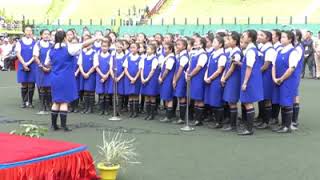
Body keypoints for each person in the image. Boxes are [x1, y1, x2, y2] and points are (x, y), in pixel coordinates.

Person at [44, 30, 102, 131]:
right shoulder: (69, 48)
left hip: (54, 77)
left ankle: (54, 125)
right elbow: (84, 44)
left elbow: (47, 64)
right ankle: (64, 125)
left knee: (56, 101)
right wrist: (96, 38)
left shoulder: (51, 50)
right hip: (65, 77)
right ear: (64, 38)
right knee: (64, 101)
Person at [272, 31, 299, 133]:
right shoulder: (279, 51)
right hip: (278, 81)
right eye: (281, 37)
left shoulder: (293, 52)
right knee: (281, 102)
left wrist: (281, 79)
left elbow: (291, 69)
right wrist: (274, 78)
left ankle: (287, 126)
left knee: (287, 102)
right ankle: (283, 124)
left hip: (288, 81)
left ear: (290, 39)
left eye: (284, 37)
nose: (281, 39)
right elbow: (274, 65)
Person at [238, 30, 263, 135]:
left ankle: (249, 129)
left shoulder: (251, 51)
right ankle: (248, 127)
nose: (242, 37)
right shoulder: (250, 49)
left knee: (248, 103)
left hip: (250, 80)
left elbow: (249, 67)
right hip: (250, 79)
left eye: (244, 36)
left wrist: (245, 82)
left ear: (250, 38)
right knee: (247, 102)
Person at [256, 30, 277, 129]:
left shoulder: (270, 50)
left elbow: (266, 65)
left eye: (262, 35)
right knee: (262, 98)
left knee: (267, 99)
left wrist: (255, 73)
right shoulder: (262, 47)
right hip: (262, 76)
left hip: (267, 76)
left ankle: (266, 121)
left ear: (268, 38)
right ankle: (262, 118)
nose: (259, 37)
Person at [221, 31, 242, 131]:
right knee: (230, 101)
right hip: (231, 78)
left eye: (229, 39)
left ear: (235, 41)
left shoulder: (237, 52)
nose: (228, 41)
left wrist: (224, 78)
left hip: (233, 79)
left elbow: (232, 68)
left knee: (232, 101)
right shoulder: (232, 51)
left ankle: (233, 125)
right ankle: (232, 122)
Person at [204, 36, 226, 129]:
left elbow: (219, 70)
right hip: (210, 80)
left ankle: (219, 122)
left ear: (220, 44)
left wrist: (210, 78)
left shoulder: (222, 56)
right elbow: (208, 68)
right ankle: (215, 120)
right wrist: (206, 77)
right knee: (212, 101)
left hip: (216, 81)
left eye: (215, 42)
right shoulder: (213, 54)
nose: (213, 44)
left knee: (217, 102)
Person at [187, 37, 208, 126]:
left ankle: (199, 120)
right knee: (195, 98)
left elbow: (199, 67)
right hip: (194, 78)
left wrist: (191, 74)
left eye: (197, 42)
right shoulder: (195, 53)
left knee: (199, 98)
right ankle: (196, 118)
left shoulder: (203, 54)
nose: (195, 43)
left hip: (198, 78)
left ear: (202, 44)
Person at [16, 26, 37, 108]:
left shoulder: (35, 42)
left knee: (31, 84)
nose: (29, 32)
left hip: (32, 64)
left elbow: (35, 55)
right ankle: (24, 102)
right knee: (24, 84)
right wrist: (24, 64)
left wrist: (28, 63)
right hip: (22, 65)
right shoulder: (20, 42)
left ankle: (30, 102)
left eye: (30, 30)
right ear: (24, 32)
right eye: (27, 30)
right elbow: (18, 54)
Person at [33, 29, 52, 114]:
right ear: (41, 35)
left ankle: (48, 105)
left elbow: (54, 56)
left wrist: (49, 67)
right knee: (42, 87)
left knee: (49, 88)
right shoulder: (37, 45)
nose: (47, 35)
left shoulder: (52, 45)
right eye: (45, 34)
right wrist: (42, 66)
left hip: (50, 69)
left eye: (48, 34)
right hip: (40, 69)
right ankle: (42, 106)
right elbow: (35, 57)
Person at [140, 43, 159, 120]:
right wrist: (142, 78)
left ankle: (152, 114)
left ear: (153, 50)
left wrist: (147, 79)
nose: (147, 50)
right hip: (144, 79)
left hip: (151, 80)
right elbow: (141, 69)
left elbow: (152, 70)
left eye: (149, 49)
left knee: (152, 96)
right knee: (146, 96)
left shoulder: (155, 59)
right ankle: (147, 113)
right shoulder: (143, 58)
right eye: (147, 49)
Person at [78, 34, 97, 114]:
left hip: (91, 75)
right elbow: (80, 64)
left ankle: (91, 108)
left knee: (91, 91)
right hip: (83, 74)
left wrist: (88, 73)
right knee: (85, 91)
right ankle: (86, 107)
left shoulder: (94, 53)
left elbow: (95, 65)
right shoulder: (82, 52)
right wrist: (83, 72)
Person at [172, 39, 189, 124]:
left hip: (181, 78)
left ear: (184, 46)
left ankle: (182, 118)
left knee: (182, 97)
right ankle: (181, 117)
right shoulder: (179, 55)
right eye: (176, 45)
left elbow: (180, 70)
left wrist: (175, 80)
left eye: (179, 45)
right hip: (179, 78)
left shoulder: (184, 56)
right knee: (180, 96)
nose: (177, 46)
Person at [159, 42, 176, 123]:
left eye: (166, 49)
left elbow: (167, 70)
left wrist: (162, 78)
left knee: (169, 98)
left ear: (171, 49)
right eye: (164, 48)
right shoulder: (167, 57)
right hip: (165, 79)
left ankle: (168, 117)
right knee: (166, 97)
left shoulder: (171, 58)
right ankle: (167, 115)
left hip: (168, 79)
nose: (164, 50)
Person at [95, 39, 113, 115]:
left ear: (109, 47)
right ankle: (101, 109)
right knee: (101, 93)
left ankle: (106, 109)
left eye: (106, 46)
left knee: (107, 93)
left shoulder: (111, 56)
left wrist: (106, 75)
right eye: (102, 46)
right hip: (99, 76)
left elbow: (111, 67)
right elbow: (96, 66)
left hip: (108, 76)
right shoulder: (97, 55)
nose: (104, 48)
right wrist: (102, 75)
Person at [124, 42, 142, 118]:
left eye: (134, 47)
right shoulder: (128, 58)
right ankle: (131, 111)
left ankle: (136, 112)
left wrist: (135, 78)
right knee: (130, 95)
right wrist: (130, 77)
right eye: (131, 47)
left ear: (138, 49)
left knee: (136, 95)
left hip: (136, 79)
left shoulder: (140, 58)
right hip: (129, 79)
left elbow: (140, 69)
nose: (132, 49)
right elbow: (125, 69)